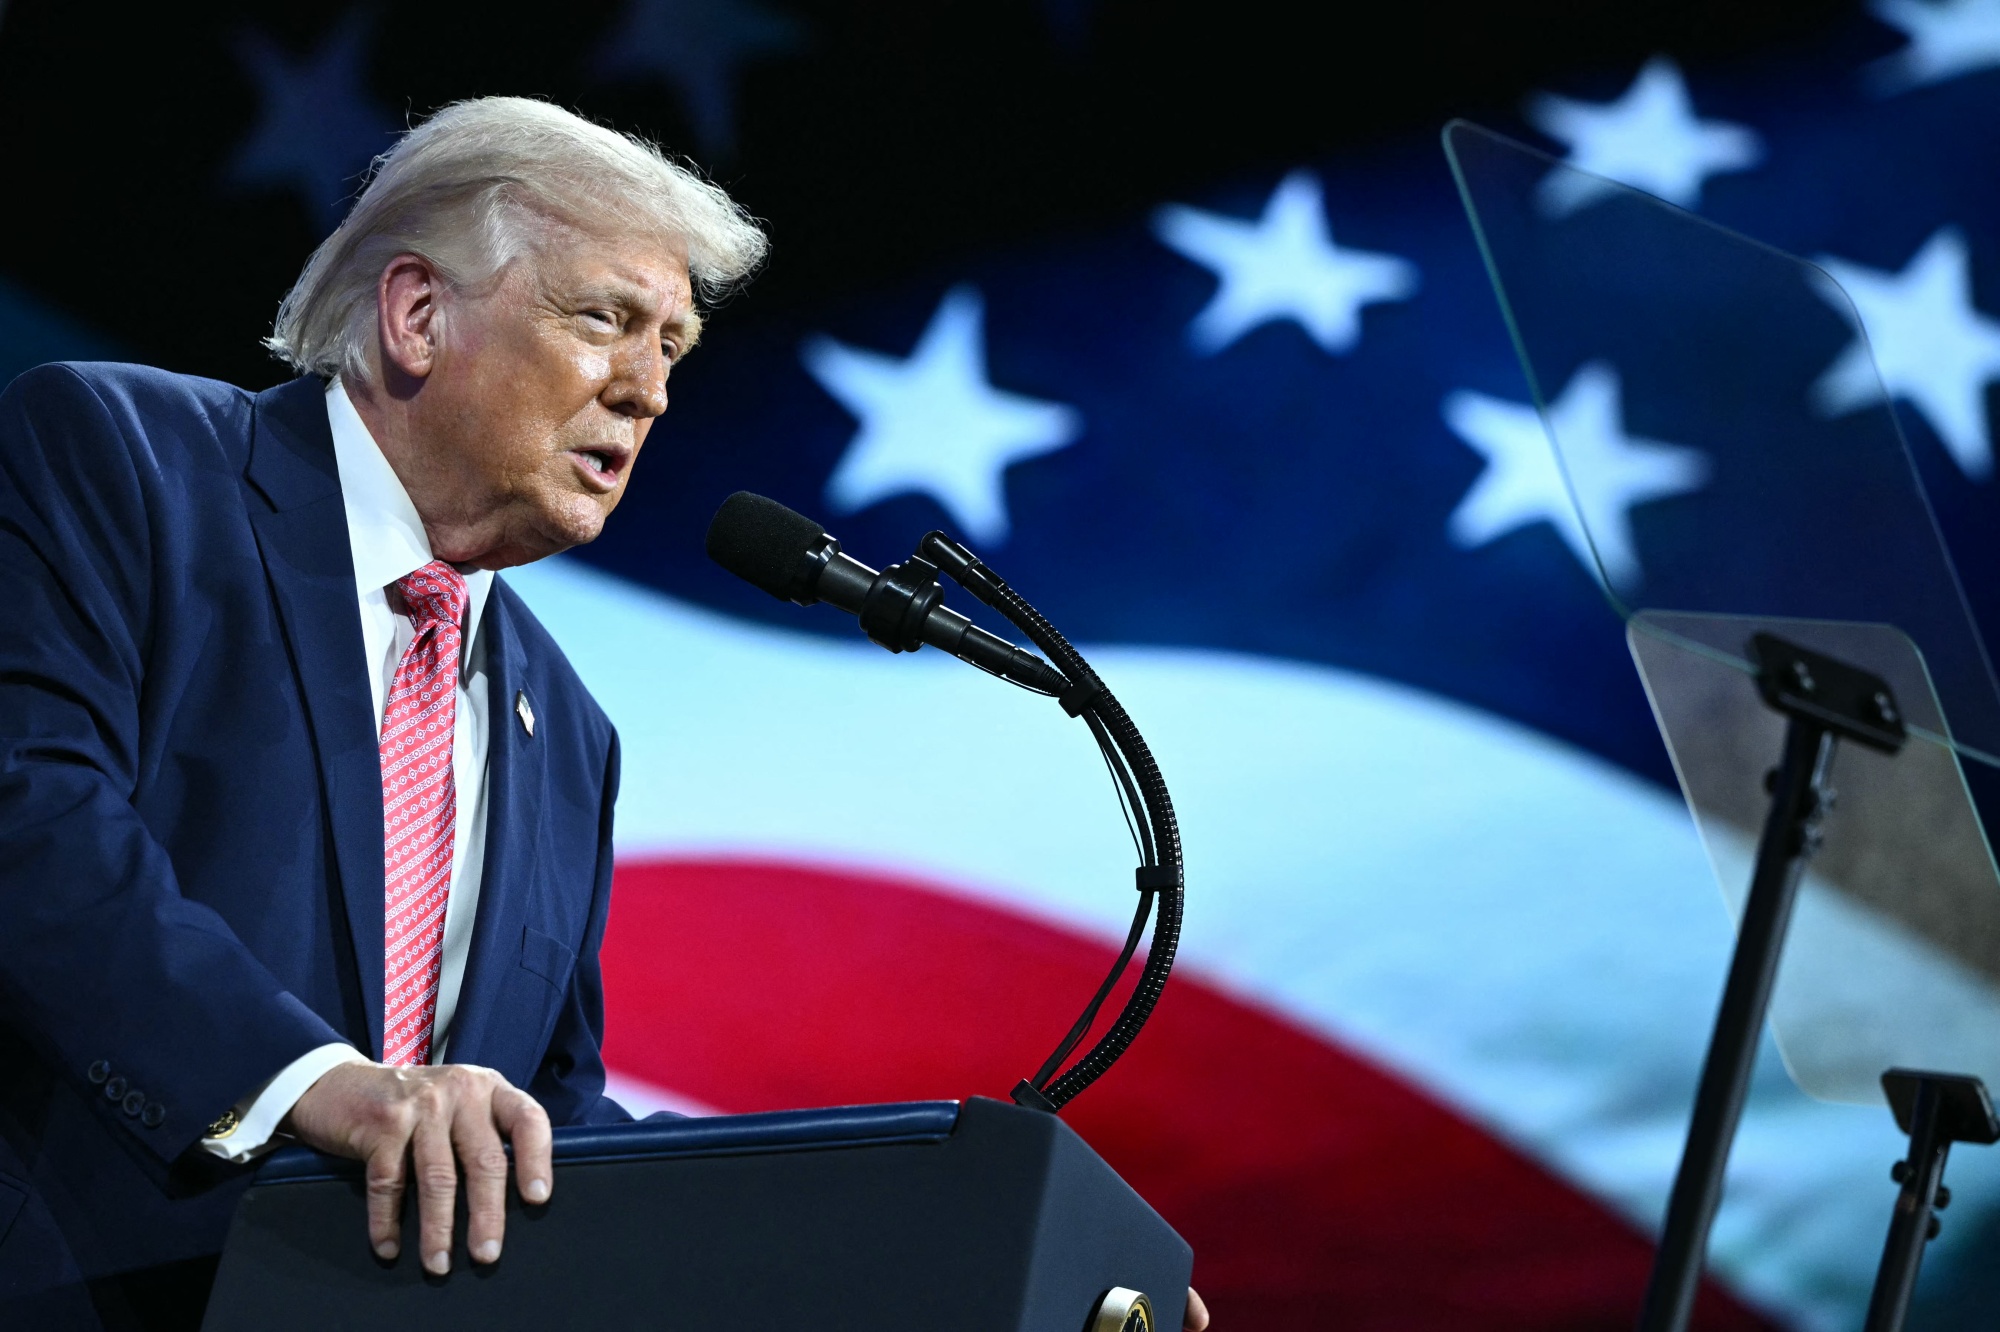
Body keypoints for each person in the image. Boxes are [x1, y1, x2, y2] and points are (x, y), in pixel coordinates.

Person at [0, 95, 1209, 1332]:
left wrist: (921, 1245)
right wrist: (318, 1084)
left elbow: (555, 1129)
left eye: (672, 348)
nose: (650, 395)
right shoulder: (129, 459)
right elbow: (32, 822)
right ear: (417, 315)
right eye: (605, 321)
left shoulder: (564, 728)